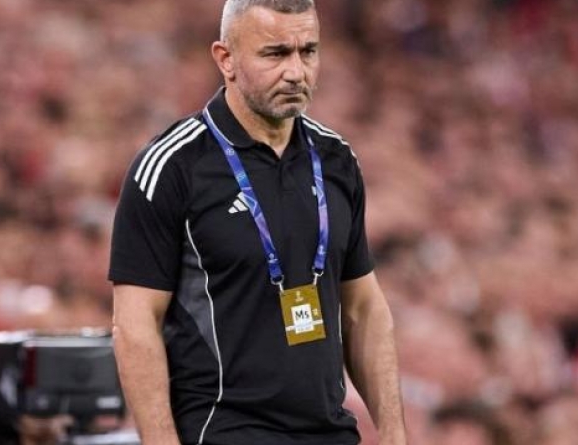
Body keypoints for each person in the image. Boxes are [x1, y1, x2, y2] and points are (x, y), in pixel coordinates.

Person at [109, 1, 407, 444]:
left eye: (308, 51)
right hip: (223, 431)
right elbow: (135, 326)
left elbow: (363, 307)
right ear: (225, 59)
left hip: (330, 433)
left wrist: (394, 432)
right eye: (275, 53)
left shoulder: (336, 159)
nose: (296, 72)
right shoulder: (172, 166)